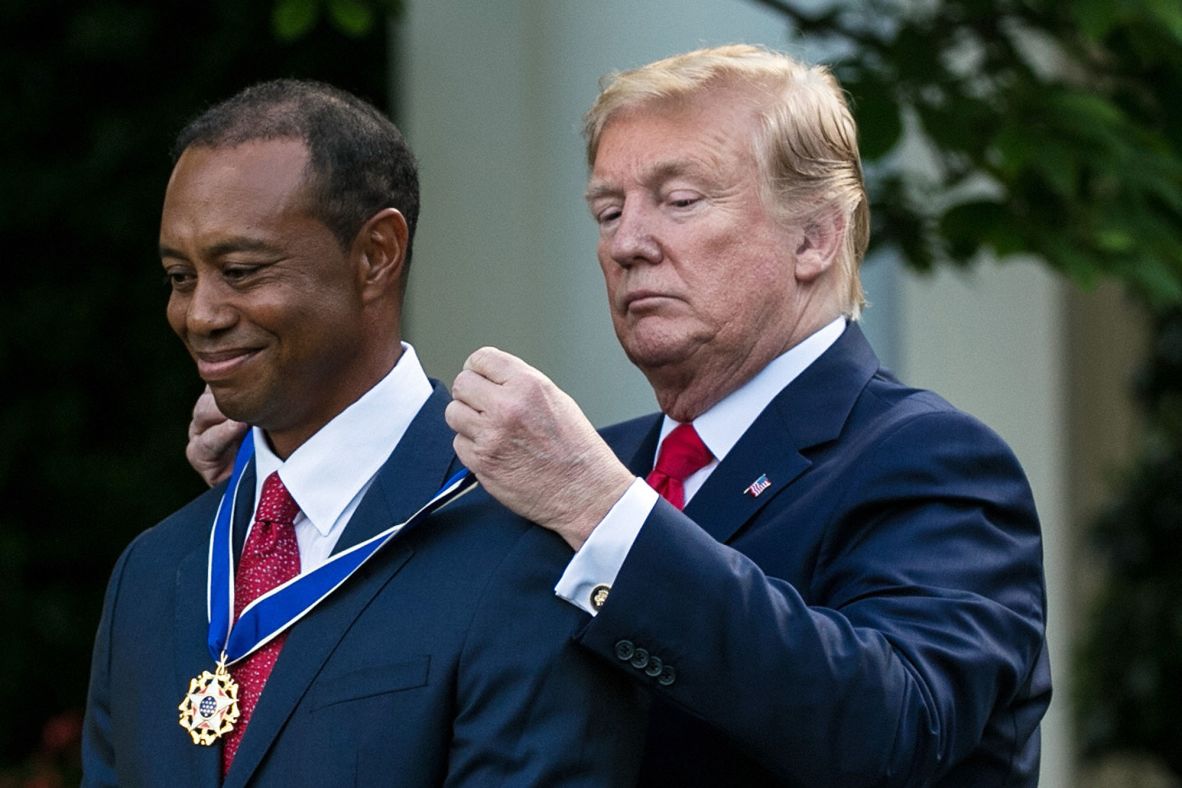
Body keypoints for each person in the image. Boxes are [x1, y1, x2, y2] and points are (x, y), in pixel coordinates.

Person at [191, 46, 1051, 786]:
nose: (626, 243)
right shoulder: (595, 467)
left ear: (815, 237)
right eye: (608, 210)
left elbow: (897, 730)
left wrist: (601, 510)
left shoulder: (930, 459)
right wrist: (299, 467)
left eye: (680, 200)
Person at [81, 79, 644, 788]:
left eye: (240, 271)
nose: (200, 315)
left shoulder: (529, 551)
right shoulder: (152, 572)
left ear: (376, 254)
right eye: (179, 276)